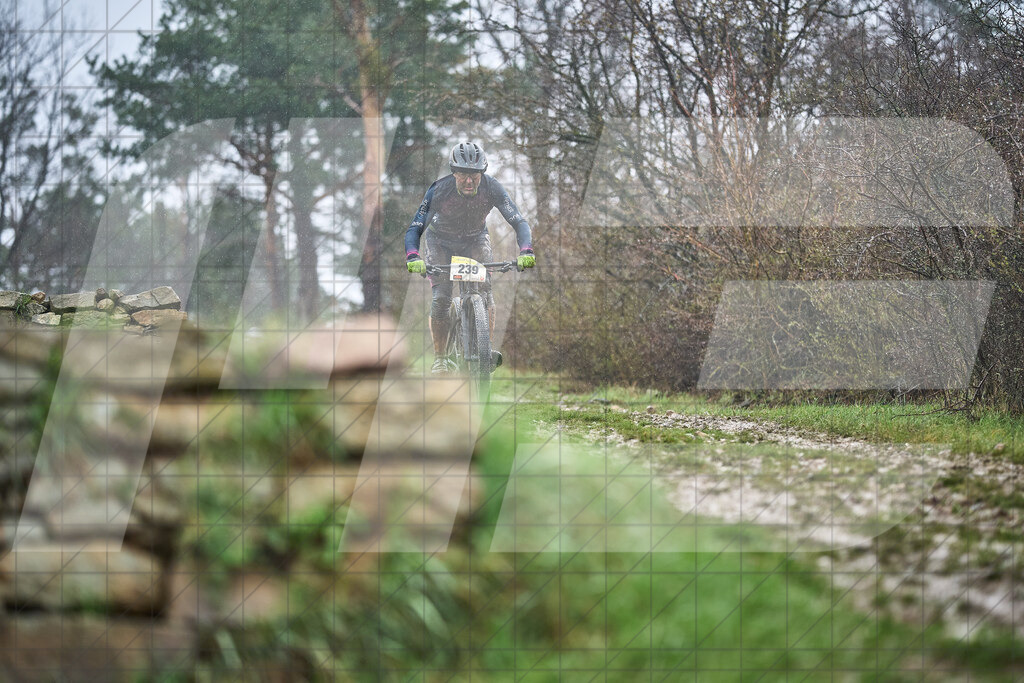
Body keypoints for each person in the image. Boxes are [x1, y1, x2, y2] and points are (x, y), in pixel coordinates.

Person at [405, 142, 536, 374]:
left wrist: (526, 249)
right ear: (454, 173)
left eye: (475, 175)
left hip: (474, 240)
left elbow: (519, 221)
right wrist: (413, 256)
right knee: (442, 298)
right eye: (464, 174)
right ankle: (441, 358)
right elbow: (415, 228)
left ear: (481, 173)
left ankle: (486, 349)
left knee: (485, 293)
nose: (469, 181)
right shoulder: (439, 190)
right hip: (441, 242)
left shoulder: (492, 187)